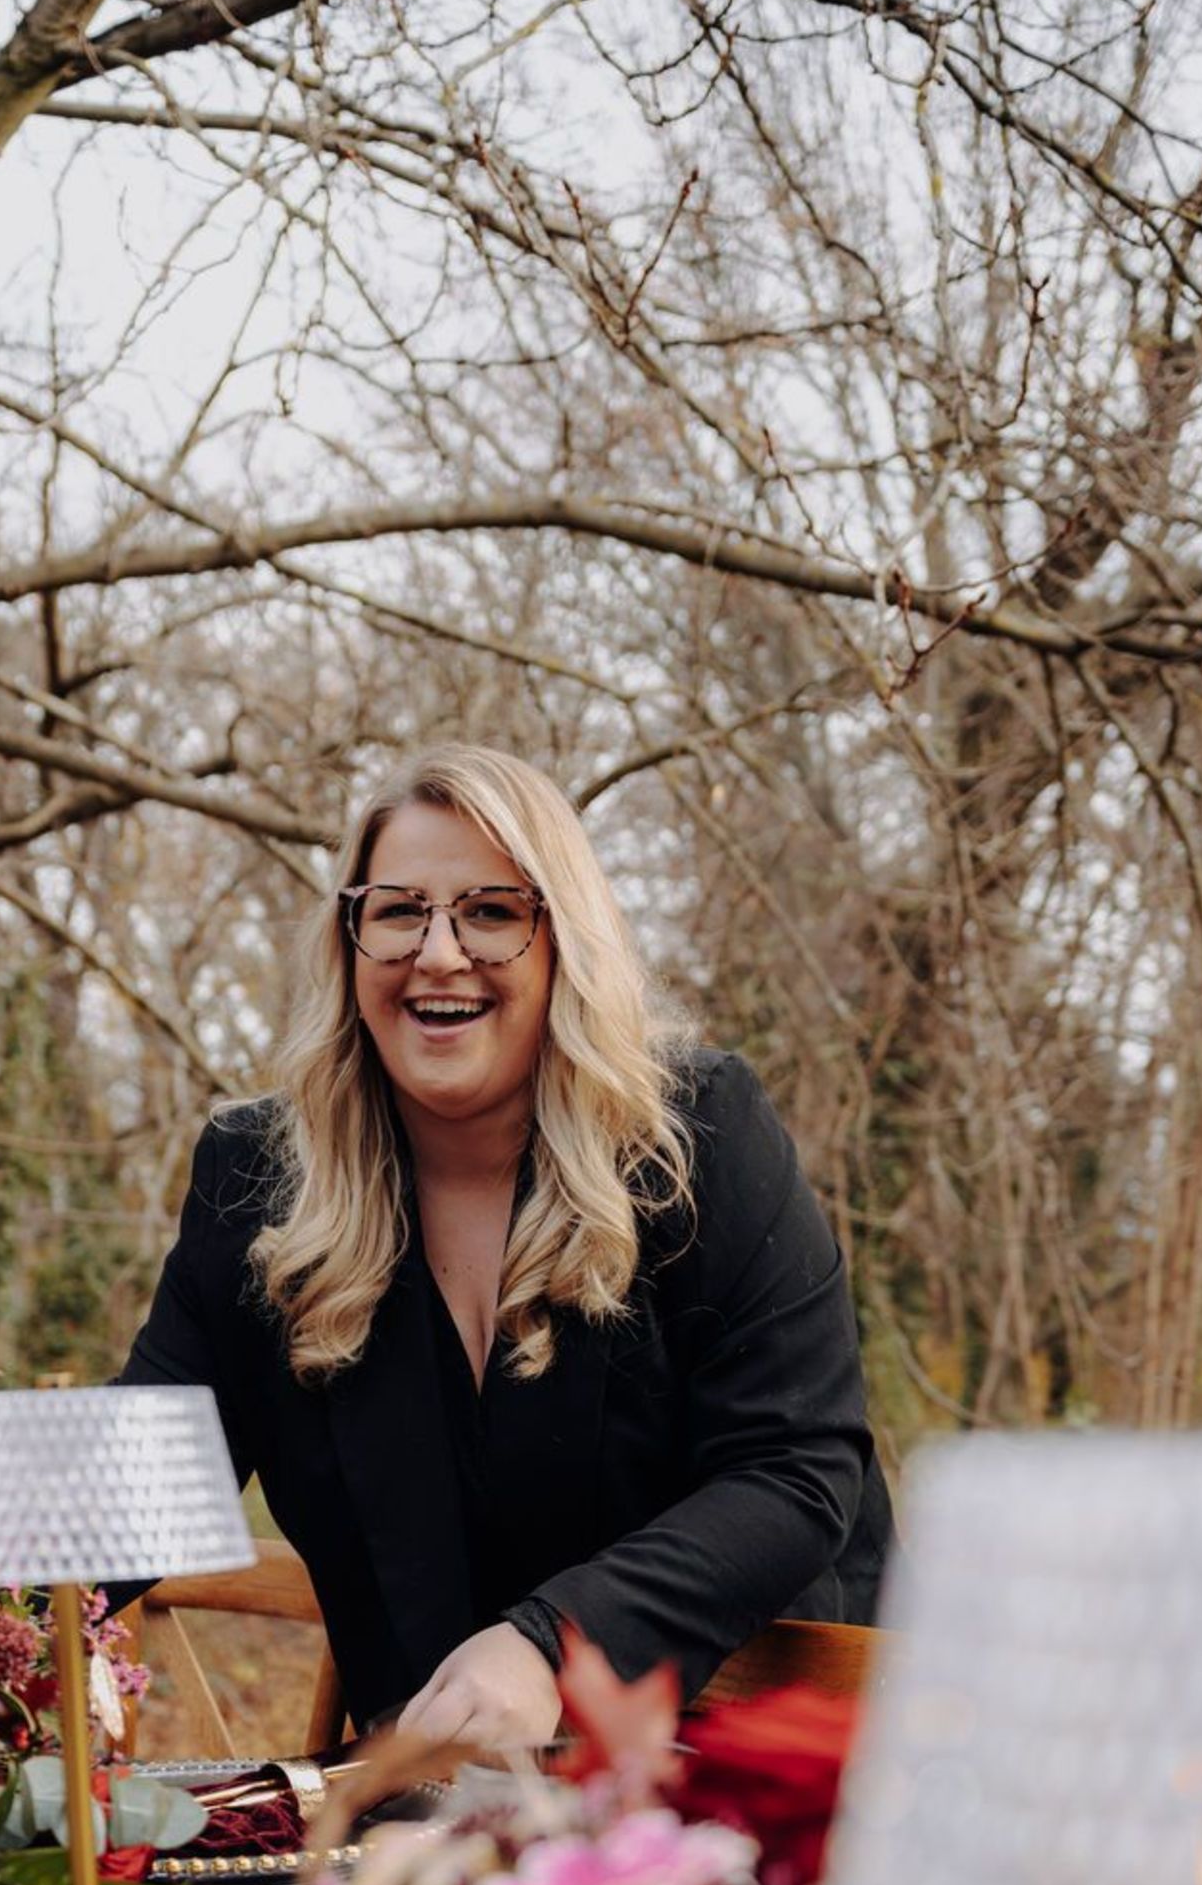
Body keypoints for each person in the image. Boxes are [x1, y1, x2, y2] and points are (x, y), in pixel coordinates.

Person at [120, 744, 892, 1750]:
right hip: (432, 1790)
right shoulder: (255, 1182)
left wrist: (549, 1644)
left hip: (742, 1759)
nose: (439, 953)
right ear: (349, 941)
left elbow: (794, 1468)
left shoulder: (698, 1139)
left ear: (563, 941)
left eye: (490, 911)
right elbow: (136, 1485)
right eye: (398, 911)